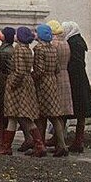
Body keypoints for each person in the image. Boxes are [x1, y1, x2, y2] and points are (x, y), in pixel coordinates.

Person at [0, 26, 46, 156]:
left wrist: (12, 84)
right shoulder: (28, 49)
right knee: (14, 116)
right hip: (26, 83)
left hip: (19, 86)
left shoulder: (19, 50)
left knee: (22, 115)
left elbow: (19, 71)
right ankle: (7, 146)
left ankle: (38, 145)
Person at [32, 24, 67, 157]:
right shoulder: (53, 48)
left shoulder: (39, 49)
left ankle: (40, 146)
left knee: (41, 116)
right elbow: (57, 68)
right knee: (54, 116)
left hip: (43, 84)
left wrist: (32, 77)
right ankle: (62, 145)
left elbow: (39, 70)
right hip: (52, 82)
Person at [62, 21, 91, 153]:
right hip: (81, 80)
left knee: (68, 108)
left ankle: (74, 140)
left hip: (74, 81)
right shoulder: (79, 41)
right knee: (80, 112)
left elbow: (74, 63)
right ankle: (78, 139)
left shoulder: (73, 43)